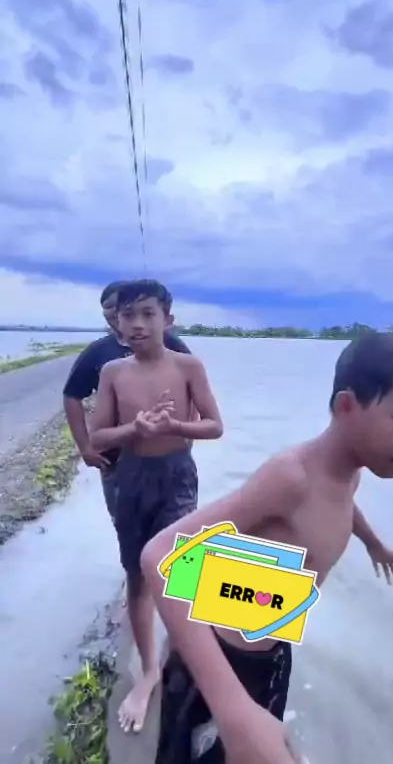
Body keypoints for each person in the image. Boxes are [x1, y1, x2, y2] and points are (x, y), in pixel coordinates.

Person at [140, 333, 393, 764]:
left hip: (271, 647)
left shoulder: (349, 470)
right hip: (220, 660)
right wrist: (232, 708)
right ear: (346, 407)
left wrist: (374, 543)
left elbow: (342, 503)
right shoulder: (290, 477)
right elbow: (159, 556)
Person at [89, 279, 224, 735]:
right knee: (137, 575)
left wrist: (175, 425)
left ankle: (190, 660)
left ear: (168, 319)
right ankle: (148, 672)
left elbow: (215, 425)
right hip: (132, 479)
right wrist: (135, 429)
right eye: (128, 315)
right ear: (117, 322)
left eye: (148, 314)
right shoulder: (112, 372)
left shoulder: (188, 366)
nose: (138, 324)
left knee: (180, 570)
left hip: (177, 478)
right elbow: (98, 437)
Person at [63, 280, 192, 520]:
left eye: (119, 306)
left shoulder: (174, 347)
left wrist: (187, 438)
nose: (113, 313)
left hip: (168, 462)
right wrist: (85, 448)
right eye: (108, 309)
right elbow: (72, 396)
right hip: (115, 461)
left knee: (177, 530)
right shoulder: (98, 353)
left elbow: (192, 393)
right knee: (127, 527)